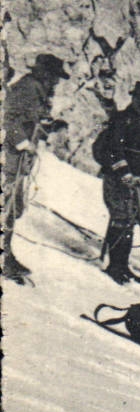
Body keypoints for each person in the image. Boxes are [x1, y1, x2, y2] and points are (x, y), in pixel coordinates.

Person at [2, 52, 70, 283]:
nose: (56, 83)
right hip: (9, 159)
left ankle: (5, 253)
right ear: (45, 74)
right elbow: (7, 118)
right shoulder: (28, 88)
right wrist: (22, 143)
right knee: (6, 209)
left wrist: (49, 126)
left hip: (18, 163)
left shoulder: (38, 92)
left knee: (12, 210)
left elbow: (32, 121)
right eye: (54, 77)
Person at [92, 81, 140, 284]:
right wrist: (124, 172)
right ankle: (114, 267)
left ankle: (122, 266)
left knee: (130, 221)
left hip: (138, 182)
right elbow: (114, 148)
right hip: (119, 178)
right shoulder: (122, 119)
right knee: (121, 219)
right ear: (133, 98)